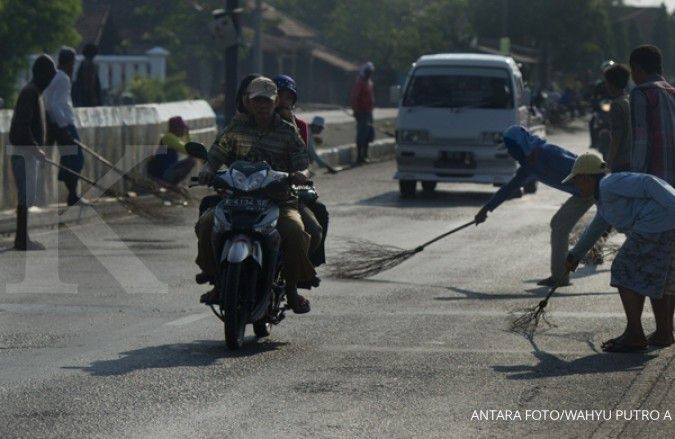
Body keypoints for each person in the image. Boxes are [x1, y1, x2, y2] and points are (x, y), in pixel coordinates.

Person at [195, 77, 315, 313]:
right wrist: (208, 171)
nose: (262, 105)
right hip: (236, 199)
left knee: (295, 232)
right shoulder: (236, 129)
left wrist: (300, 174)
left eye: (266, 100)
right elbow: (216, 155)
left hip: (277, 201)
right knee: (206, 224)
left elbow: (303, 163)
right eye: (257, 100)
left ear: (275, 101)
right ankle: (218, 282)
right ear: (248, 102)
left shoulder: (287, 132)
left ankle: (291, 290)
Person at [564, 154, 675, 351]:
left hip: (654, 224)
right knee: (661, 278)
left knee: (623, 270)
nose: (576, 187)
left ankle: (634, 335)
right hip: (663, 226)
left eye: (577, 182)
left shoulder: (609, 183)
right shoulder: (604, 201)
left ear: (587, 178)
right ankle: (663, 333)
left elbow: (649, 182)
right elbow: (597, 227)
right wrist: (576, 254)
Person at [475, 126, 593, 287]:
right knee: (558, 225)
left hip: (595, 188)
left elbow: (584, 169)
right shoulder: (528, 167)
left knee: (623, 223)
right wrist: (487, 208)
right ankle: (559, 277)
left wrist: (602, 192)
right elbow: (509, 188)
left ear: (519, 145)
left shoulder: (549, 153)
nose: (510, 154)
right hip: (581, 195)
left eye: (511, 149)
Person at [272, 74, 325, 262]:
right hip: (254, 187)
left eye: (287, 97)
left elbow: (303, 161)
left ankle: (297, 274)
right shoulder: (254, 121)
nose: (282, 102)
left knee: (315, 226)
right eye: (278, 96)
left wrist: (299, 174)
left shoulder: (298, 126)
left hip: (285, 189)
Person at [8, 55, 57, 250]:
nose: (51, 81)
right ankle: (21, 240)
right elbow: (22, 127)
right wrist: (36, 149)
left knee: (27, 197)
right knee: (25, 197)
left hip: (27, 153)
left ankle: (23, 238)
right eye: (50, 76)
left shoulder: (34, 93)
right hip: (24, 153)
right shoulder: (30, 93)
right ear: (42, 75)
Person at [43, 46, 88, 206]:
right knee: (76, 160)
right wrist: (63, 127)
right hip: (65, 125)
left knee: (69, 159)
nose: (74, 66)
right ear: (69, 63)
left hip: (57, 124)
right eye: (73, 63)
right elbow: (56, 105)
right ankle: (73, 195)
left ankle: (72, 195)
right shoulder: (63, 78)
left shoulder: (53, 77)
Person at [629, 45, 675, 185]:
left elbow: (642, 141)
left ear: (637, 69)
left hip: (656, 181)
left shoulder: (642, 93)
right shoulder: (672, 92)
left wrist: (636, 178)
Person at [147, 116, 196, 185]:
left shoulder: (169, 137)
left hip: (163, 171)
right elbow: (189, 150)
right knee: (191, 161)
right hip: (163, 173)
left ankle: (172, 183)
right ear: (177, 128)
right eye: (182, 128)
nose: (183, 130)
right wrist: (187, 134)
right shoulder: (169, 138)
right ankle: (169, 183)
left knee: (191, 158)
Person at [603, 64, 632, 172]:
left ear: (611, 84)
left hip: (621, 162)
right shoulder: (629, 100)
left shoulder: (616, 105)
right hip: (632, 159)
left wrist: (608, 164)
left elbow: (616, 138)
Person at [350, 62, 375, 163]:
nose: (370, 74)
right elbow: (354, 98)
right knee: (361, 135)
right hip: (362, 112)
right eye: (369, 72)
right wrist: (356, 111)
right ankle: (359, 156)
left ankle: (365, 155)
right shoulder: (360, 83)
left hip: (369, 112)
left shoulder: (369, 83)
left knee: (369, 134)